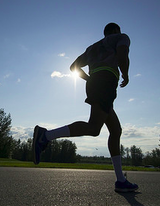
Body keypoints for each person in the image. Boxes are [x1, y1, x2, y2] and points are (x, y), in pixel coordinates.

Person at [33, 22, 139, 193]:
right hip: (106, 82)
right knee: (94, 128)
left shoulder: (92, 47)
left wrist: (89, 79)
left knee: (116, 130)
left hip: (95, 83)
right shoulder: (122, 37)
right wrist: (125, 74)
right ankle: (45, 136)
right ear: (116, 31)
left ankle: (120, 180)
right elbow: (123, 54)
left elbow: (73, 67)